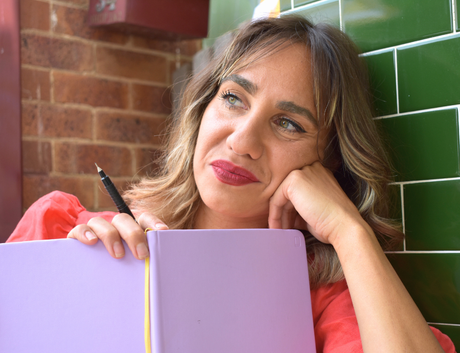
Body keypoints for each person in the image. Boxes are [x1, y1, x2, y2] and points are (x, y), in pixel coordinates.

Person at [9, 15, 456, 352]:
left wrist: (349, 232)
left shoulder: (325, 305)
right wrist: (64, 280)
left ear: (330, 162)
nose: (242, 141)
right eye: (233, 98)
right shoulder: (62, 231)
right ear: (202, 110)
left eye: (288, 123)